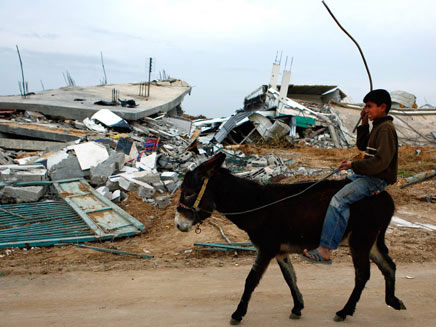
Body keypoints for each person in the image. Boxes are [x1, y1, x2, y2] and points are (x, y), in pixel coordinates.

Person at [301, 89, 398, 264]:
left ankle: (325, 250)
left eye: (369, 106)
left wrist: (354, 165)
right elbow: (362, 145)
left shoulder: (385, 130)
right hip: (367, 175)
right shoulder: (378, 126)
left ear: (382, 107)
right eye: (365, 107)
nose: (366, 109)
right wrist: (364, 121)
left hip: (375, 179)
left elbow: (380, 163)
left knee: (339, 200)